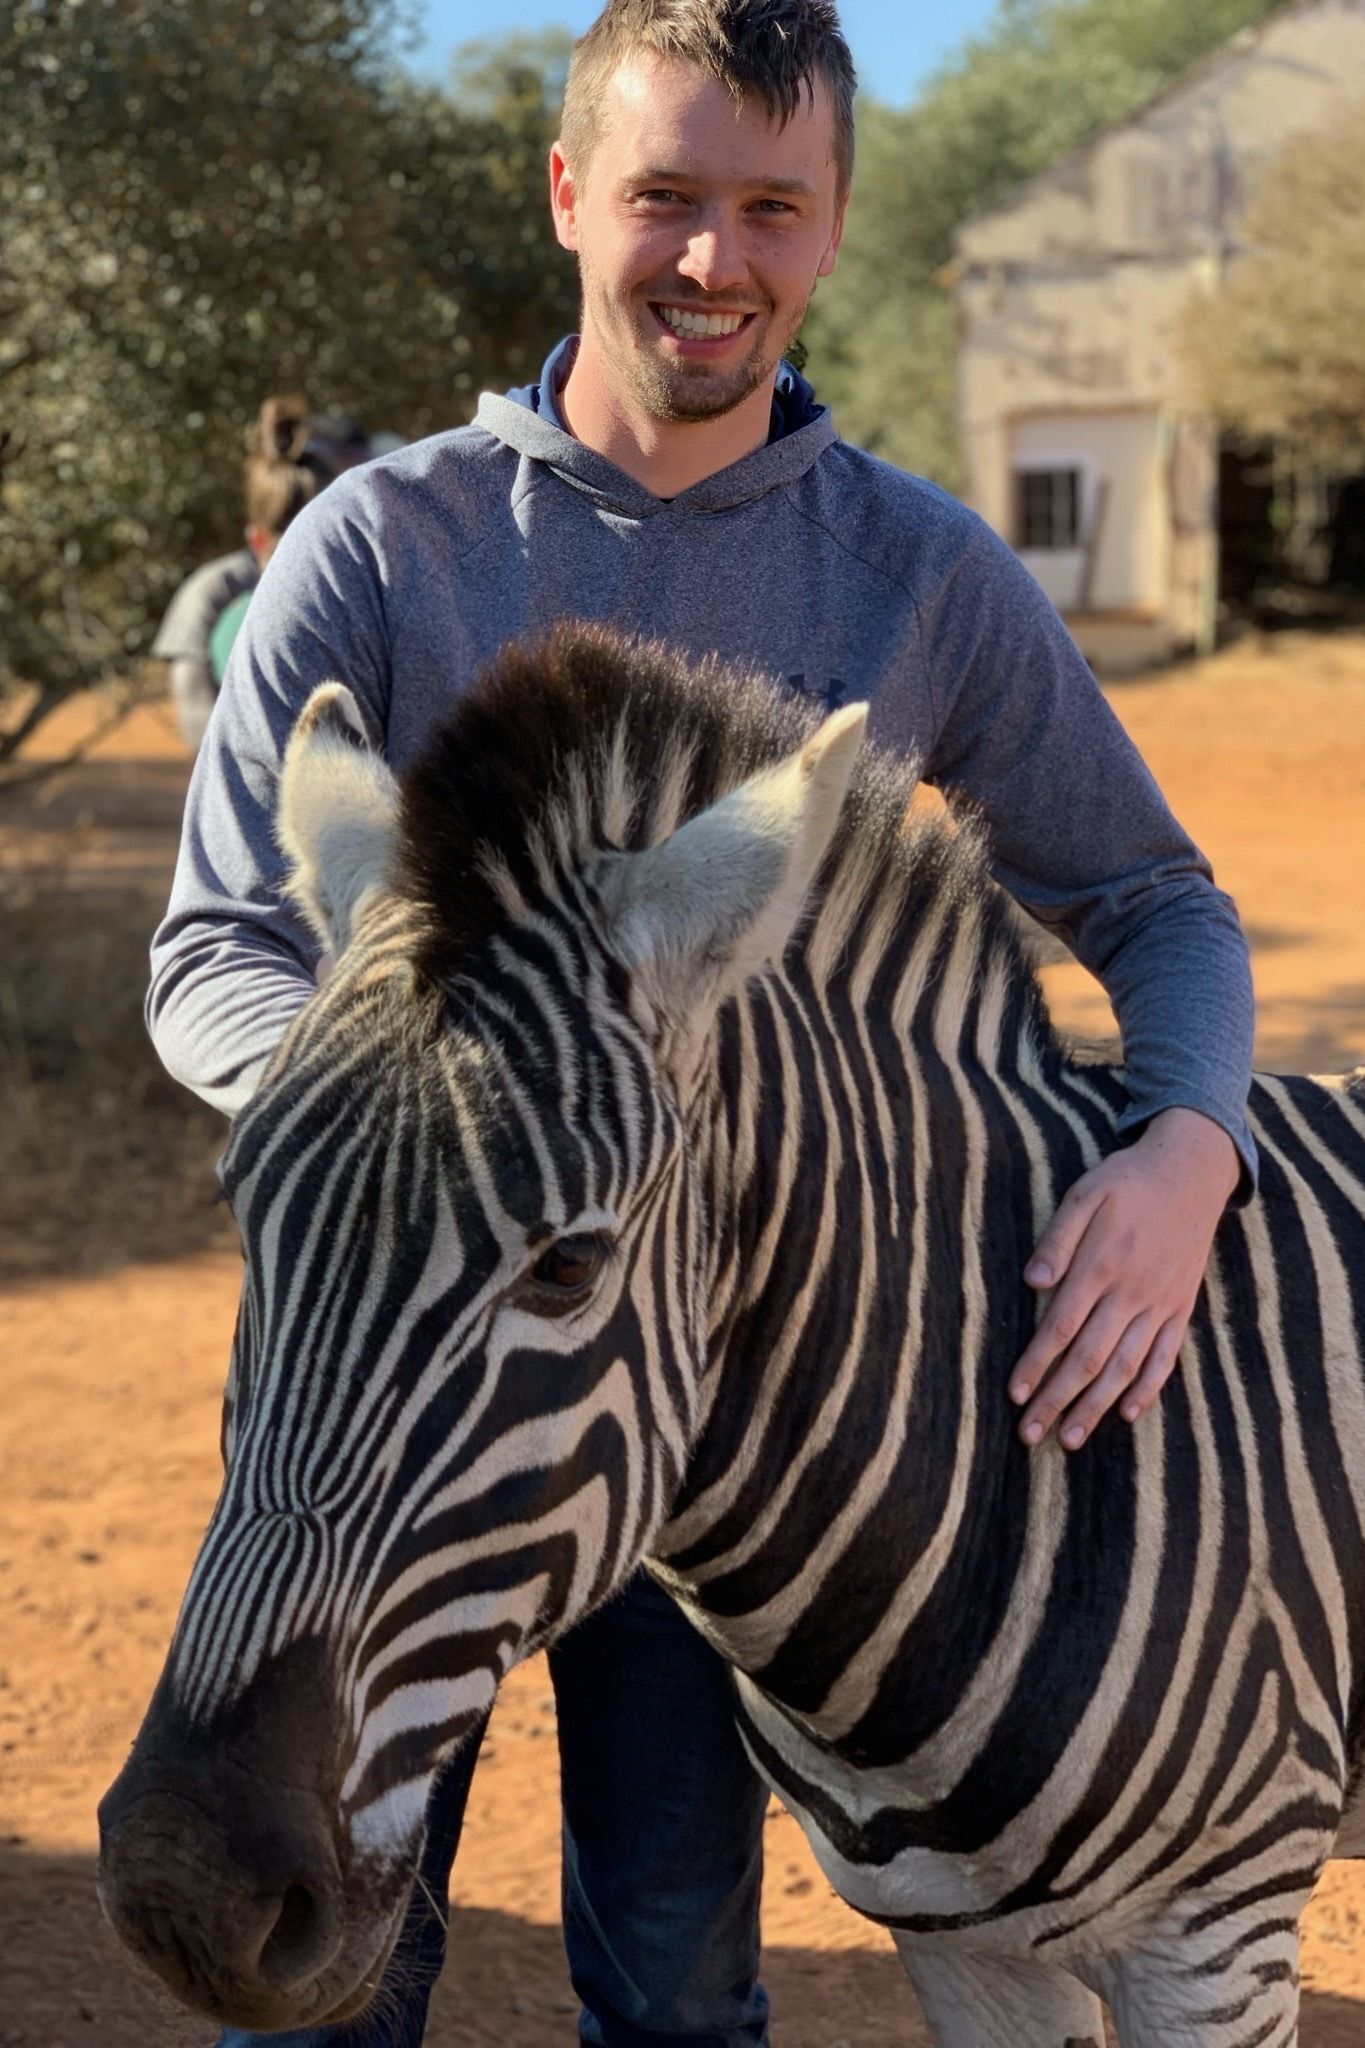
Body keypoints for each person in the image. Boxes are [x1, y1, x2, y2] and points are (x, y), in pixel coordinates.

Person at [147, 2, 1254, 2043]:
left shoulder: (915, 571)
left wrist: (1187, 1139)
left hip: (748, 1428)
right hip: (406, 1402)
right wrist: (433, 1121)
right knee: (306, 1960)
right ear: (570, 197)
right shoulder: (381, 549)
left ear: (828, 231)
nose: (709, 259)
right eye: (664, 195)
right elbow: (218, 951)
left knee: (671, 1968)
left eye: (769, 207)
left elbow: (1158, 905)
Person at [152, 398, 372, 752]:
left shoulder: (366, 592)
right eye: (293, 548)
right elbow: (199, 726)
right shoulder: (214, 595)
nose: (311, 567)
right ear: (257, 539)